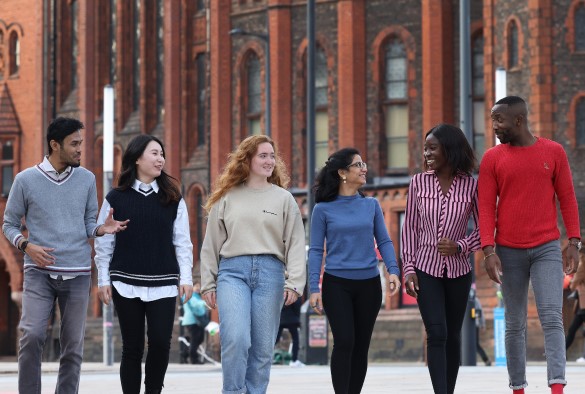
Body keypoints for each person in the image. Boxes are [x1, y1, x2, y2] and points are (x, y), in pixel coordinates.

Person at [2, 117, 128, 393]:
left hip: (78, 274)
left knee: (72, 347)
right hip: (38, 273)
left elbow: (86, 224)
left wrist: (101, 229)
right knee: (32, 335)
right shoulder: (25, 180)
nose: (80, 149)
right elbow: (8, 225)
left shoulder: (86, 179)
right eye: (75, 144)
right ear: (54, 144)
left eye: (81, 143)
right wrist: (26, 245)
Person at [478, 96, 581, 394]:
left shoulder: (554, 152)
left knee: (552, 316)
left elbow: (568, 198)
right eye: (493, 119)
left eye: (499, 120)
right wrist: (489, 250)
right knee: (514, 323)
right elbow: (486, 207)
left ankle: (557, 387)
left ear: (519, 121)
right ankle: (518, 389)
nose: (495, 126)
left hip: (547, 247)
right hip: (508, 250)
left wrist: (574, 241)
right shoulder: (492, 159)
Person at [200, 135, 306, 394]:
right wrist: (207, 283)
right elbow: (211, 243)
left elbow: (295, 243)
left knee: (262, 348)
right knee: (236, 338)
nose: (270, 161)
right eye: (263, 155)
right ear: (247, 159)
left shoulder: (284, 199)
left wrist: (295, 283)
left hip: (271, 274)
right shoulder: (226, 198)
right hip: (232, 273)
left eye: (272, 156)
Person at [95, 134, 193, 394]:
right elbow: (104, 242)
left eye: (162, 154)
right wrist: (103, 280)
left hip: (163, 282)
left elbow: (183, 242)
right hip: (124, 281)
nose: (160, 159)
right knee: (132, 347)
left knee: (161, 343)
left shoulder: (173, 199)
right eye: (154, 153)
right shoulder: (115, 198)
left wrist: (186, 278)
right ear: (137, 158)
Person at [308, 148, 401, 394]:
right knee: (345, 341)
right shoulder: (322, 210)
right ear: (342, 173)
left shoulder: (371, 205)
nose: (364, 168)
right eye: (358, 165)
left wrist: (393, 270)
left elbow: (384, 241)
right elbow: (316, 250)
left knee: (361, 345)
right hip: (336, 284)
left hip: (369, 284)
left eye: (363, 163)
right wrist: (314, 288)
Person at [401, 124, 480, 394]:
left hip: (459, 271)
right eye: (425, 149)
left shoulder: (471, 185)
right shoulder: (418, 182)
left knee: (453, 335)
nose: (427, 154)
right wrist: (408, 268)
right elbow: (410, 227)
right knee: (437, 332)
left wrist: (461, 245)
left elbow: (485, 230)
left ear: (449, 148)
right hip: (425, 268)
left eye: (432, 148)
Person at [181, 282, 209, 364]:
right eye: (196, 286)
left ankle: (185, 354)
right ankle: (194, 359)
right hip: (192, 321)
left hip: (196, 321)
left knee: (197, 339)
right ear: (192, 287)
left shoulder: (196, 296)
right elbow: (195, 304)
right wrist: (205, 303)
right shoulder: (191, 295)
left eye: (199, 286)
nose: (198, 288)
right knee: (196, 339)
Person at [565, 252, 585, 361]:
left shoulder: (583, 264)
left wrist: (571, 282)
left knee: (573, 330)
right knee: (573, 329)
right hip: (581, 305)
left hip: (583, 303)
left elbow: (574, 282)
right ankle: (562, 352)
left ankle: (561, 352)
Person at [275, 297, 304, 367]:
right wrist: (297, 319)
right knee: (295, 339)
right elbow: (297, 307)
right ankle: (294, 360)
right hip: (292, 319)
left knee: (275, 339)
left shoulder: (281, 293)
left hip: (281, 319)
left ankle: (265, 356)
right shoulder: (295, 294)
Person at [474, 296, 491, 366]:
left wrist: (482, 324)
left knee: (475, 344)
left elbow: (480, 311)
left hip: (474, 325)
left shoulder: (474, 299)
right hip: (466, 326)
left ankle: (486, 360)